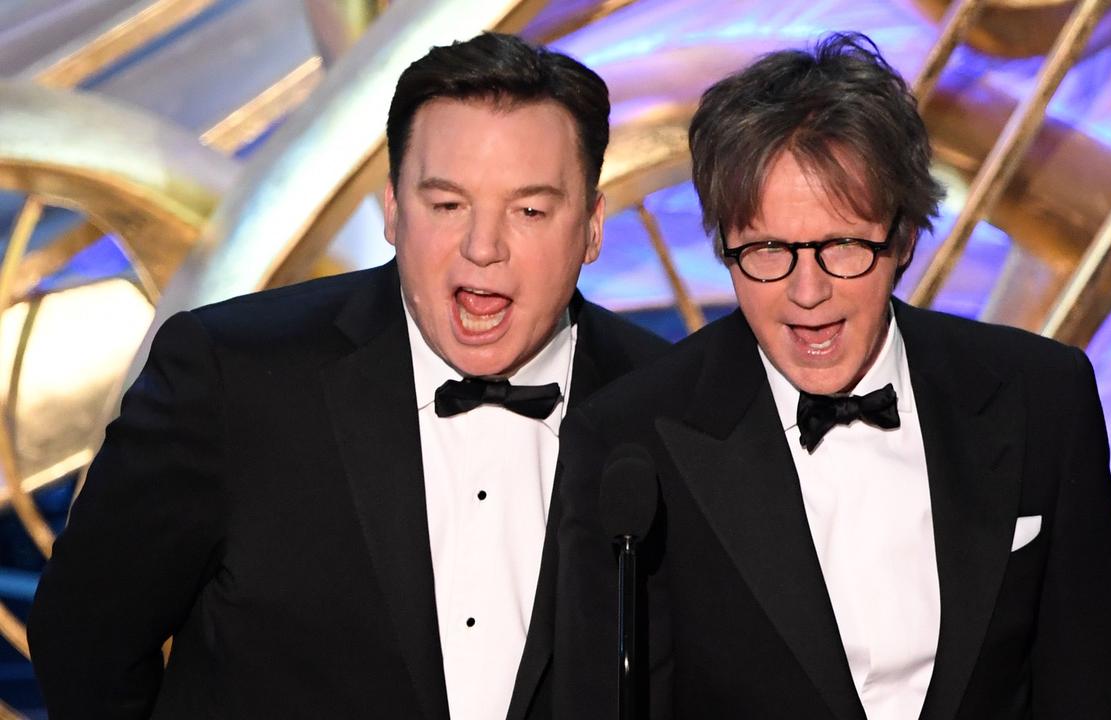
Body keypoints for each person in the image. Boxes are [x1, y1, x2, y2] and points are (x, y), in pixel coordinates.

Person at [29, 32, 667, 720]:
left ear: (593, 227)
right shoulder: (232, 376)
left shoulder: (669, 407)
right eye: (447, 205)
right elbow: (85, 638)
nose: (484, 249)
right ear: (393, 209)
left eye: (530, 211)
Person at [553, 32, 1111, 719]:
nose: (808, 293)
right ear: (724, 245)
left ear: (901, 239)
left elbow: (1093, 694)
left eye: (841, 247)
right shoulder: (632, 440)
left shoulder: (1043, 396)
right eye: (768, 250)